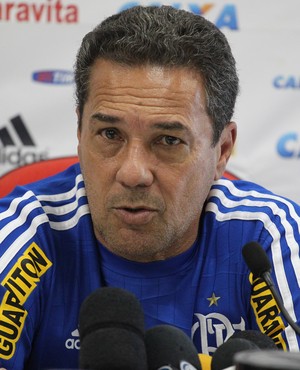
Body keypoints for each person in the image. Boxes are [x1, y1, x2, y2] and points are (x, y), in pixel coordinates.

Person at [0, 5, 299, 369]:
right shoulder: (26, 234)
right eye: (110, 134)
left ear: (222, 150)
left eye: (168, 140)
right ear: (79, 134)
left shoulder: (267, 239)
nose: (133, 172)